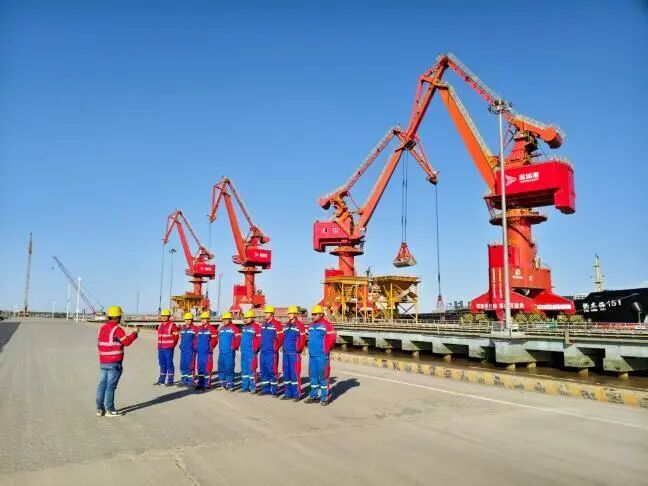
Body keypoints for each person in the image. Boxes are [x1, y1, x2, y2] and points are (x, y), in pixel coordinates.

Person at [96, 305, 139, 417]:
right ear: (117, 317)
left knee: (102, 385)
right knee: (110, 386)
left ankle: (100, 409)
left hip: (103, 361)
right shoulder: (117, 329)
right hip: (114, 362)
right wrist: (135, 333)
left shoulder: (101, 328)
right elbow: (126, 342)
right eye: (120, 316)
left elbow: (99, 344)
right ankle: (110, 410)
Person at [306, 305, 336, 406]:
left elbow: (332, 338)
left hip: (322, 355)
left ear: (321, 314)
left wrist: (326, 350)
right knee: (313, 376)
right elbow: (308, 338)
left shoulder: (327, 325)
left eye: (315, 314)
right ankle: (313, 396)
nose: (313, 316)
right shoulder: (311, 325)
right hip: (312, 355)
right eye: (312, 314)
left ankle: (324, 397)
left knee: (323, 377)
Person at [282, 306, 306, 401]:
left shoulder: (299, 325)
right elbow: (283, 337)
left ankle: (297, 394)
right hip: (286, 353)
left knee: (294, 373)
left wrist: (298, 349)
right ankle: (288, 393)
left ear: (296, 314)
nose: (289, 315)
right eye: (289, 313)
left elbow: (303, 339)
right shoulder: (286, 325)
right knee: (286, 373)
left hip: (294, 353)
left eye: (291, 313)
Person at [259, 305, 283, 396]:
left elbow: (280, 338)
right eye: (265, 313)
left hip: (271, 352)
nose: (265, 314)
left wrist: (275, 347)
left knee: (272, 370)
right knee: (263, 370)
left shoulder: (277, 324)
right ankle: (265, 389)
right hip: (263, 351)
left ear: (272, 314)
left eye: (267, 313)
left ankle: (274, 390)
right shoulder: (263, 324)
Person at [217, 311, 241, 391]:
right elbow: (219, 338)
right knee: (221, 368)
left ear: (230, 319)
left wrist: (234, 347)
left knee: (229, 368)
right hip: (221, 352)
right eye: (223, 319)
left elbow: (238, 339)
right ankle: (222, 384)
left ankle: (230, 385)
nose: (224, 321)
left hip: (229, 352)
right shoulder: (221, 329)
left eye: (226, 319)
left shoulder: (234, 328)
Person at [154, 309, 179, 386]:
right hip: (161, 348)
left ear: (169, 316)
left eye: (166, 316)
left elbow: (176, 336)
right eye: (163, 316)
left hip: (168, 348)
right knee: (162, 364)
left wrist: (172, 345)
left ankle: (170, 381)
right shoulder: (160, 325)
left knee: (169, 364)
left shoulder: (172, 325)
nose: (164, 317)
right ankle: (161, 380)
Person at [195, 311, 218, 391]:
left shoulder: (212, 329)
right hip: (200, 352)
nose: (203, 320)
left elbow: (215, 340)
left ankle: (207, 384)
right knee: (200, 368)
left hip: (207, 352)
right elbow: (196, 340)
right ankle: (200, 383)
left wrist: (210, 348)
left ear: (208, 319)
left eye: (205, 319)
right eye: (202, 319)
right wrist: (196, 347)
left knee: (207, 368)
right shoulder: (199, 329)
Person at [240, 309, 262, 393]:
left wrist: (256, 349)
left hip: (251, 352)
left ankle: (253, 387)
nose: (246, 319)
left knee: (251, 370)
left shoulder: (256, 327)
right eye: (246, 318)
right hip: (244, 352)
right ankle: (245, 387)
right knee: (244, 370)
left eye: (248, 318)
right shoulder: (244, 327)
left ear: (252, 318)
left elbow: (259, 339)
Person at [178, 312, 198, 386]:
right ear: (184, 320)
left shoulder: (195, 328)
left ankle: (190, 381)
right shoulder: (182, 328)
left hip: (191, 350)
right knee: (183, 365)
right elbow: (181, 338)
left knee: (190, 365)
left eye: (189, 319)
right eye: (186, 319)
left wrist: (195, 347)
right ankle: (184, 380)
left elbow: (197, 339)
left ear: (192, 320)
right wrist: (180, 345)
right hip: (183, 350)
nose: (188, 321)